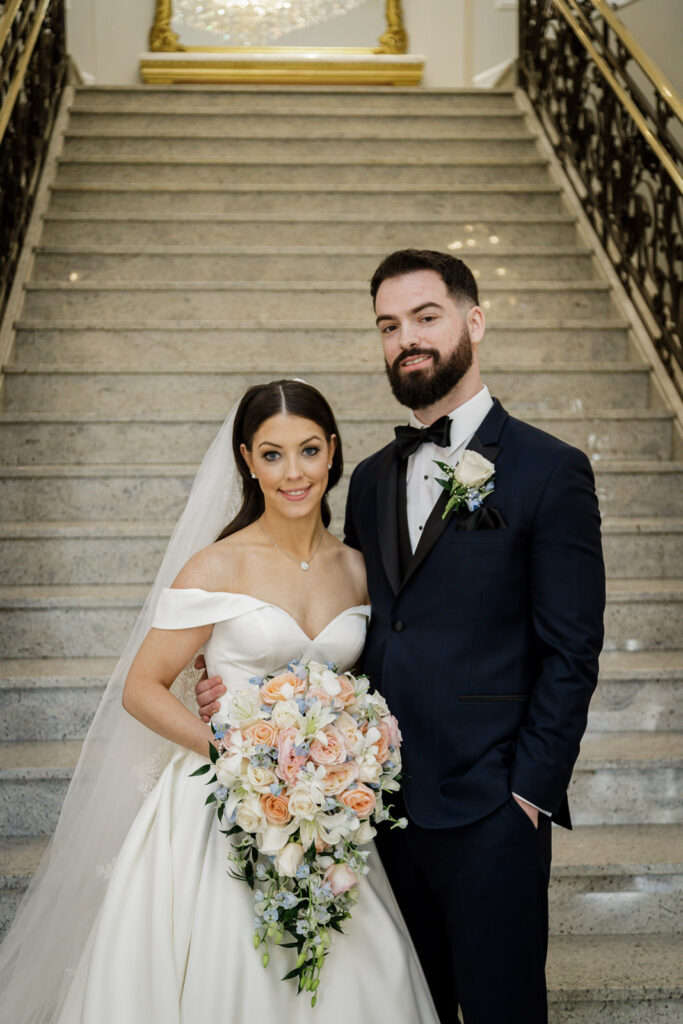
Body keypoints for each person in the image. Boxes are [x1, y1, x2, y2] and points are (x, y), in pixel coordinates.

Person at [197, 251, 606, 1024]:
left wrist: (527, 792)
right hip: (372, 811)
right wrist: (238, 687)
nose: (405, 340)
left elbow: (570, 649)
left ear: (472, 322)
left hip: (490, 805)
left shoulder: (550, 472)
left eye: (425, 317)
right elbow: (351, 624)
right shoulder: (376, 476)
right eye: (389, 326)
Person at [0, 380, 438, 1023]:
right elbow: (141, 687)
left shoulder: (358, 568)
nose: (294, 473)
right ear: (245, 460)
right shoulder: (216, 567)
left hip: (324, 813)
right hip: (221, 802)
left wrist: (342, 754)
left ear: (333, 452)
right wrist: (240, 755)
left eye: (309, 450)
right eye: (272, 454)